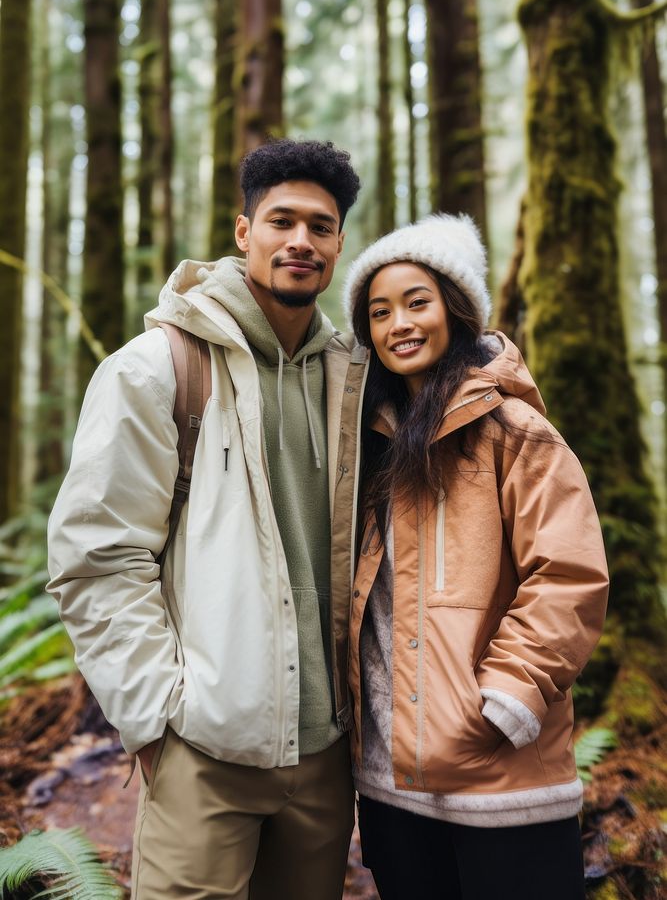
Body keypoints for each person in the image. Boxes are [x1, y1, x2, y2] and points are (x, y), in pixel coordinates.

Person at [47, 138, 366, 900]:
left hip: (326, 760)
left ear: (339, 243)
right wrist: (156, 717)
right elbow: (96, 558)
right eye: (281, 221)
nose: (300, 241)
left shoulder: (352, 378)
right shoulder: (157, 368)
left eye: (320, 227)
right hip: (205, 750)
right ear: (241, 231)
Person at [342, 213, 609, 900]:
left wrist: (504, 701)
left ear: (455, 311)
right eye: (379, 311)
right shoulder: (367, 444)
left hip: (501, 773)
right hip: (392, 781)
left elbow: (568, 575)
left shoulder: (515, 431)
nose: (397, 323)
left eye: (416, 302)